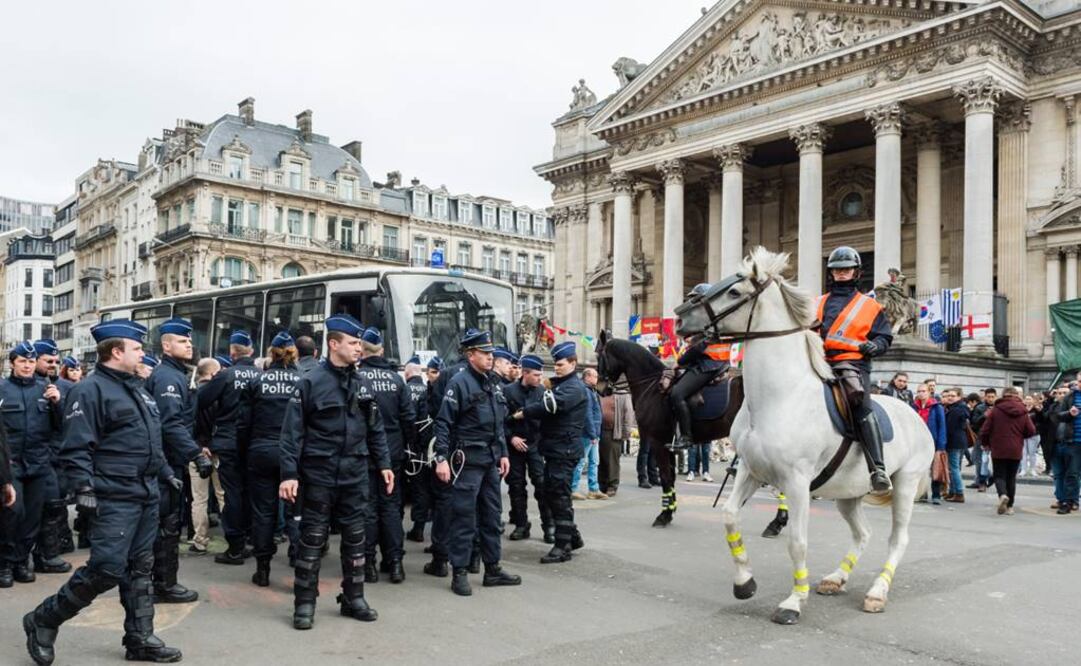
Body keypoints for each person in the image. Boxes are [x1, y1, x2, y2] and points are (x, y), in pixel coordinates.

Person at [23, 319, 184, 664]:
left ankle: (140, 638)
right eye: (138, 348)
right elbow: (76, 446)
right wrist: (83, 488)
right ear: (116, 351)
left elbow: (151, 441)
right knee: (107, 568)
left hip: (145, 493)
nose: (143, 353)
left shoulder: (138, 388)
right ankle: (44, 619)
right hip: (114, 496)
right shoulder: (90, 390)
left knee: (141, 567)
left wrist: (168, 474)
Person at [279, 314, 394, 629]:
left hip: (355, 474)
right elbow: (291, 434)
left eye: (360, 343)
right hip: (319, 474)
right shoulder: (310, 382)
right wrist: (289, 474)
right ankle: (304, 603)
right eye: (354, 343)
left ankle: (353, 597)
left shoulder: (362, 382)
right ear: (334, 344)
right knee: (312, 540)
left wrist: (384, 464)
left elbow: (376, 429)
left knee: (356, 538)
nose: (360, 348)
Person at [433, 329, 520, 596]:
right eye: (485, 353)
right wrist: (441, 459)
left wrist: (503, 452)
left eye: (491, 353)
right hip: (467, 461)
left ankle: (492, 568)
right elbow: (443, 423)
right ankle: (459, 572)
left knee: (492, 517)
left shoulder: (493, 382)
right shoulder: (459, 383)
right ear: (471, 355)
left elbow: (498, 423)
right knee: (463, 518)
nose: (490, 357)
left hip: (490, 459)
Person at [144, 318, 214, 603]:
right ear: (166, 345)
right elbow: (170, 424)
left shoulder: (173, 374)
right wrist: (195, 453)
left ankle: (164, 581)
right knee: (167, 526)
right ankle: (164, 584)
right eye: (183, 341)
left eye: (189, 341)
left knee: (168, 524)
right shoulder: (168, 378)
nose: (189, 345)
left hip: (168, 460)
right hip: (165, 462)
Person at [816, 246, 893, 492]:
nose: (841, 273)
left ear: (856, 272)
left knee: (860, 404)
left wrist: (876, 345)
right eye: (837, 270)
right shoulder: (817, 302)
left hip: (852, 363)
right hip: (817, 360)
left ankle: (877, 468)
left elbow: (884, 337)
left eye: (846, 269)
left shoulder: (870, 306)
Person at [519, 341, 589, 564]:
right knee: (552, 493)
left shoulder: (573, 388)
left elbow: (548, 406)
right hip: (556, 449)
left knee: (559, 496)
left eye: (560, 364)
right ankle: (572, 537)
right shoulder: (563, 384)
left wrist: (522, 413)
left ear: (573, 363)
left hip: (564, 450)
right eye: (556, 365)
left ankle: (562, 546)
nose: (556, 368)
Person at [0, 341, 62, 587]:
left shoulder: (45, 388)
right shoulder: (2, 389)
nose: (27, 366)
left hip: (38, 462)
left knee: (32, 517)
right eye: (22, 361)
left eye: (30, 361)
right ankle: (4, 563)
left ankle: (20, 561)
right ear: (13, 363)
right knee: (12, 513)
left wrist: (58, 403)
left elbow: (60, 427)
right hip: (11, 462)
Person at [240, 331, 300, 586]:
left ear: (270, 354)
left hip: (261, 451)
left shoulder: (258, 382)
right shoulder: (304, 380)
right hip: (294, 454)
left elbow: (243, 423)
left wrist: (245, 453)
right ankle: (298, 559)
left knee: (263, 513)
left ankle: (263, 568)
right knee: (297, 510)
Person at [197, 330, 261, 565]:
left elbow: (201, 401)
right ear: (251, 351)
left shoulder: (226, 376)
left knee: (232, 493)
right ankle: (253, 540)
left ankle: (235, 547)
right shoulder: (260, 374)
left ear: (232, 352)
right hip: (253, 442)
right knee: (250, 492)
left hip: (228, 441)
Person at [357, 327, 414, 584]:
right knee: (391, 508)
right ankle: (395, 563)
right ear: (381, 351)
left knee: (368, 508)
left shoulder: (356, 377)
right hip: (393, 451)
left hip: (365, 452)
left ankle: (367, 563)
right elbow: (408, 418)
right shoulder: (396, 380)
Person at [669, 288, 731, 450]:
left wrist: (680, 361)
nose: (693, 304)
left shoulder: (709, 318)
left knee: (677, 394)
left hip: (709, 365)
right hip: (716, 363)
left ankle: (686, 437)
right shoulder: (714, 316)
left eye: (695, 299)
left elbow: (698, 348)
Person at [32, 339, 74, 574]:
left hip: (58, 455)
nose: (53, 365)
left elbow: (71, 422)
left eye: (57, 361)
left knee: (55, 506)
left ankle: (47, 554)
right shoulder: (26, 386)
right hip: (33, 455)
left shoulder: (65, 387)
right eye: (48, 361)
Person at [502, 353, 551, 542]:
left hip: (536, 445)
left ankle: (549, 526)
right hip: (515, 446)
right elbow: (501, 421)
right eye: (537, 375)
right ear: (525, 373)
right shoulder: (508, 392)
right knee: (516, 486)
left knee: (541, 485)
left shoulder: (542, 392)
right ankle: (522, 525)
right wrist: (511, 437)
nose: (540, 378)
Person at [978, 386, 1035, 515]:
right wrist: (1020, 436)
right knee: (1011, 477)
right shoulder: (1023, 410)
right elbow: (1031, 430)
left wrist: (986, 443)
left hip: (998, 447)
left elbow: (985, 430)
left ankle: (1003, 495)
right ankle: (1010, 507)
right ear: (1017, 396)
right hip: (1015, 448)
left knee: (999, 475)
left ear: (1003, 395)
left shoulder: (996, 410)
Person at [190, 357, 225, 555]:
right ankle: (232, 537)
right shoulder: (220, 395)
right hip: (218, 450)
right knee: (222, 495)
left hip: (196, 451)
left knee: (199, 499)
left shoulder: (192, 394)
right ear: (213, 374)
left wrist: (198, 446)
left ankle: (200, 541)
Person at [404, 357, 431, 543]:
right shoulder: (429, 390)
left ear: (407, 374)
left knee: (419, 488)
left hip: (413, 446)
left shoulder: (404, 390)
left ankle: (418, 527)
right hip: (431, 446)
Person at [571, 368, 606, 500]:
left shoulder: (592, 391)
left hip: (593, 433)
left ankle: (594, 489)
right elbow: (588, 415)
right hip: (587, 434)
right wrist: (592, 434)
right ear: (587, 377)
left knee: (594, 462)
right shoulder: (586, 391)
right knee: (581, 462)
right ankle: (573, 488)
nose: (597, 379)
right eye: (595, 377)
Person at [1050, 380, 1081, 514]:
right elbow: (1059, 416)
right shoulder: (1070, 396)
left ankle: (1072, 500)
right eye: (1080, 380)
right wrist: (1070, 413)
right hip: (1073, 440)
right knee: (1071, 473)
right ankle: (1068, 502)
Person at [913, 383, 946, 504]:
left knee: (934, 469)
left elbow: (942, 427)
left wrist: (941, 446)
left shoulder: (937, 407)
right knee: (919, 469)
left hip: (933, 442)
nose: (921, 393)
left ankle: (936, 495)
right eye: (919, 391)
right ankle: (922, 494)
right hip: (917, 443)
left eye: (923, 391)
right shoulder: (914, 407)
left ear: (929, 392)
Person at [941, 387, 970, 503]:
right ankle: (953, 492)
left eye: (953, 396)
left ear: (959, 397)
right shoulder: (956, 408)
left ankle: (959, 493)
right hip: (958, 441)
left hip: (954, 441)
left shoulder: (956, 409)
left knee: (954, 468)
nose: (950, 397)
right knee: (953, 468)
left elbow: (950, 428)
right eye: (948, 396)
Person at [968, 388, 997, 490]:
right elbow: (974, 423)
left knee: (991, 460)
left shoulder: (999, 408)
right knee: (977, 459)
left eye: (992, 397)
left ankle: (987, 479)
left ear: (996, 397)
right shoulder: (980, 408)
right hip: (981, 437)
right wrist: (984, 416)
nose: (990, 399)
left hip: (995, 437)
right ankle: (982, 480)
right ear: (985, 397)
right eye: (988, 397)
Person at [1020, 394, 1042, 477]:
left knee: (1032, 453)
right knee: (1023, 453)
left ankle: (1033, 469)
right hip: (1023, 434)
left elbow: (1041, 419)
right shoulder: (1022, 409)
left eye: (1029, 399)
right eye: (1026, 399)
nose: (1028, 401)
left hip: (1034, 434)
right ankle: (1023, 469)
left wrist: (1039, 411)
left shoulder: (1036, 410)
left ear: (1033, 400)